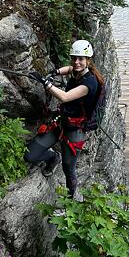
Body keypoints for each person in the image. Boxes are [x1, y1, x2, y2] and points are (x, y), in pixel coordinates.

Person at [24, 39, 105, 198]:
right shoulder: (78, 70)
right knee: (30, 155)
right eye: (74, 58)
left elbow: (65, 97)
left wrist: (45, 83)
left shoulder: (90, 83)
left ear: (88, 60)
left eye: (81, 59)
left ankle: (70, 198)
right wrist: (55, 72)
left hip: (75, 131)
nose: (76, 62)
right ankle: (53, 157)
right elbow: (70, 69)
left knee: (69, 168)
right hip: (61, 123)